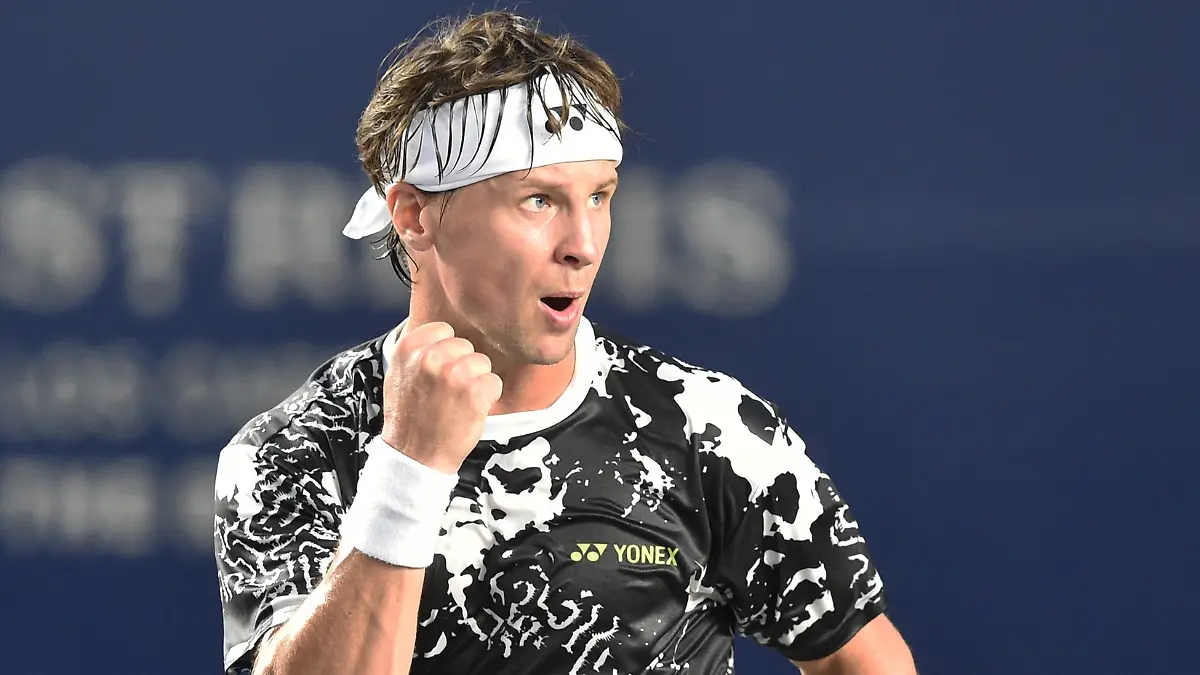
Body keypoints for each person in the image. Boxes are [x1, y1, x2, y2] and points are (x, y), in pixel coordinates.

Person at [214, 10, 917, 675]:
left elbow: (860, 656)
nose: (583, 245)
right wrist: (409, 468)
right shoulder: (296, 451)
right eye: (539, 200)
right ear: (415, 215)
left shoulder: (709, 428)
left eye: (600, 197)